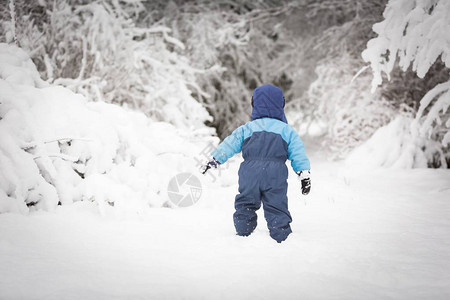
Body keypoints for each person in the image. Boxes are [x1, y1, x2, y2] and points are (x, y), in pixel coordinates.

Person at [200, 84, 311, 243]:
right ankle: (281, 235)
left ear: (254, 104)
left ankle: (243, 233)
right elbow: (298, 152)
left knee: (246, 201)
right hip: (276, 174)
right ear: (282, 104)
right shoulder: (286, 131)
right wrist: (303, 173)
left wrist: (214, 160)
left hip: (249, 172)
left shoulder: (248, 128)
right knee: (276, 204)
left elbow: (229, 144)